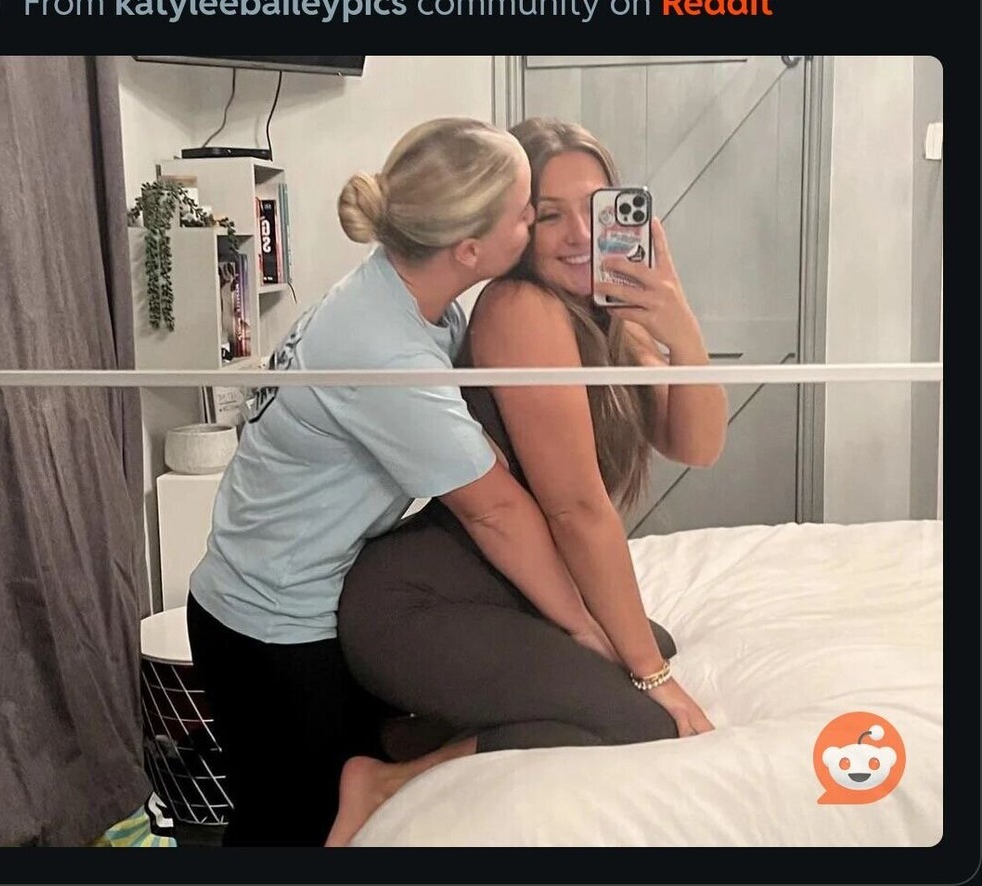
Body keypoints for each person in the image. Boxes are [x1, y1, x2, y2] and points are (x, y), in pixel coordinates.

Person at [185, 117, 631, 847]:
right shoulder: (386, 350)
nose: (536, 222)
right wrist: (583, 627)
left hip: (295, 595)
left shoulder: (415, 299)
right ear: (470, 250)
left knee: (328, 805)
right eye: (527, 212)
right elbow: (494, 511)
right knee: (290, 829)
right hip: (267, 625)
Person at [329, 117, 730, 846]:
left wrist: (679, 322)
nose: (578, 234)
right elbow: (575, 509)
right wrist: (649, 678)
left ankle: (418, 733)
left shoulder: (608, 314)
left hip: (504, 591)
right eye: (549, 215)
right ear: (514, 224)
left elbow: (696, 446)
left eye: (595, 208)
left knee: (655, 642)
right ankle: (384, 780)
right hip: (418, 605)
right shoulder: (521, 310)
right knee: (641, 716)